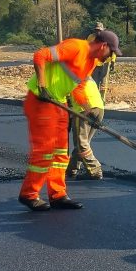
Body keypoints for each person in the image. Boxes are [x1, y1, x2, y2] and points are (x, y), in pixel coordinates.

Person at [19, 27, 120, 212]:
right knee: (45, 150)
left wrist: (89, 111)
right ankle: (29, 194)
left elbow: (78, 87)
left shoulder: (90, 62)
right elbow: (40, 55)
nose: (111, 56)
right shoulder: (76, 47)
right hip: (41, 101)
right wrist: (42, 85)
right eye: (111, 52)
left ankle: (57, 195)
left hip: (58, 104)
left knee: (60, 153)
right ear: (103, 45)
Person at [68, 24, 115, 180]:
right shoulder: (85, 72)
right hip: (99, 107)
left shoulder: (71, 77)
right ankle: (72, 169)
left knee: (81, 143)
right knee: (84, 143)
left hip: (84, 108)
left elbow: (72, 96)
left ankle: (95, 169)